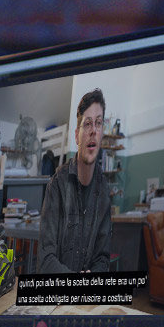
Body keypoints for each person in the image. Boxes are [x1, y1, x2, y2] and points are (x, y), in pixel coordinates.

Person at [38, 88, 114, 274]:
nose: (94, 130)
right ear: (76, 136)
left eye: (98, 123)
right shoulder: (57, 185)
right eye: (87, 124)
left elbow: (102, 259)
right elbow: (46, 261)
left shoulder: (104, 190)